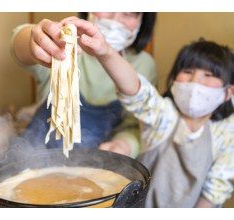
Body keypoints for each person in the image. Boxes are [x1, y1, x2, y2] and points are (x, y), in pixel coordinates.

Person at [59, 18, 233, 208]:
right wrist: (106, 52)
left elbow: (214, 191)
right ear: (174, 80)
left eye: (208, 75)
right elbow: (136, 91)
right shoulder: (163, 114)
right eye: (188, 71)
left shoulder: (227, 132)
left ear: (228, 92)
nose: (195, 81)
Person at [12, 13, 157, 158]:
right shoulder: (64, 45)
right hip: (36, 156)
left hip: (98, 163)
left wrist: (123, 145)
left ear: (143, 20)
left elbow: (137, 125)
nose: (114, 19)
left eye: (128, 12)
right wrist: (34, 39)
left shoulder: (144, 65)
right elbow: (18, 45)